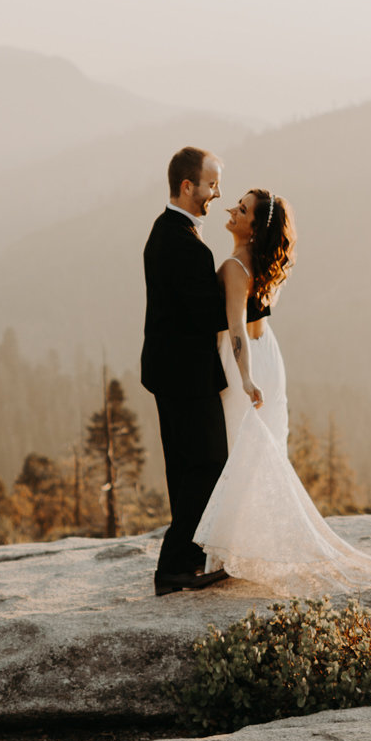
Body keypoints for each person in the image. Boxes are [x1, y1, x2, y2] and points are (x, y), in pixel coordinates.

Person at [194, 188, 371, 595]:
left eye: (243, 208)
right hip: (267, 353)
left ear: (253, 227)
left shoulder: (235, 265)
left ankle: (223, 557)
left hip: (246, 362)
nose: (233, 209)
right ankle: (231, 552)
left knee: (241, 451)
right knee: (257, 454)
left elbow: (236, 328)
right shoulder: (259, 262)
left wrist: (246, 378)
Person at [141, 146, 234, 596]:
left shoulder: (166, 231)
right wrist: (250, 291)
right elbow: (208, 315)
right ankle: (175, 563)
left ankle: (185, 563)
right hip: (187, 376)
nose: (217, 193)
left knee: (184, 468)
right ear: (187, 186)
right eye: (212, 184)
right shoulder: (183, 244)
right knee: (209, 462)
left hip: (169, 372)